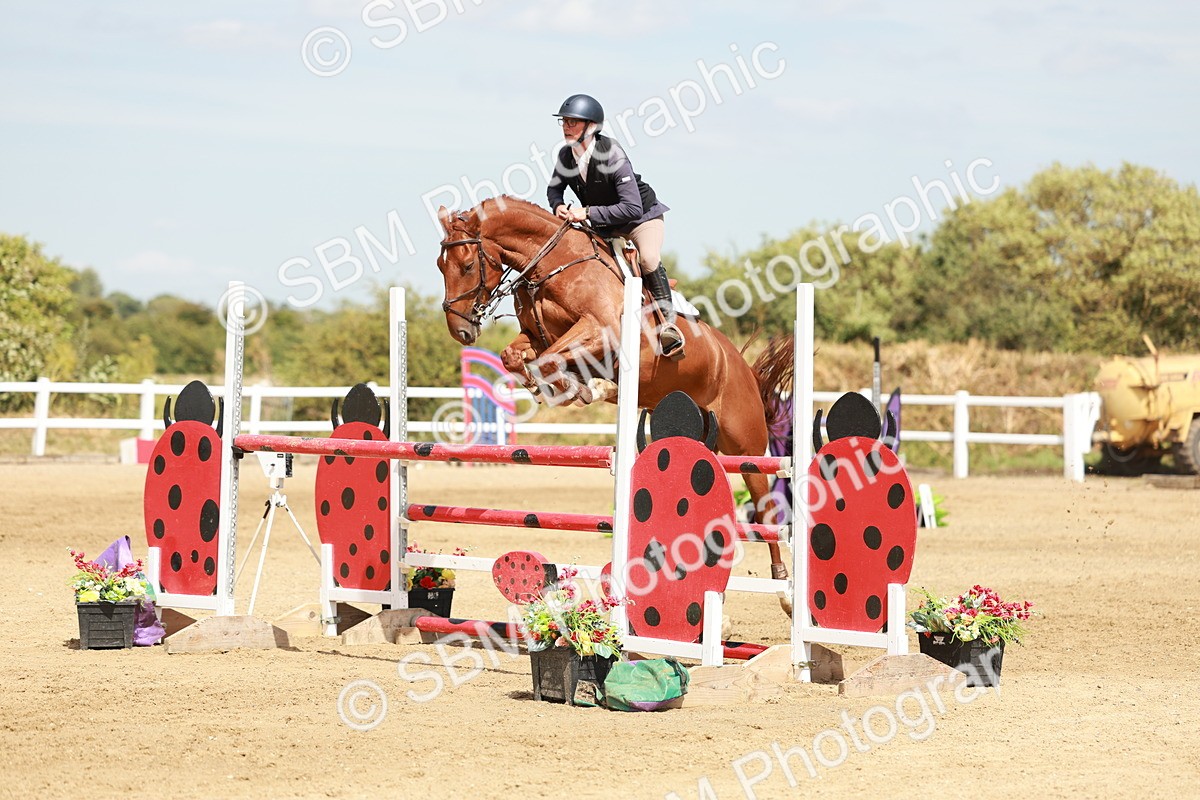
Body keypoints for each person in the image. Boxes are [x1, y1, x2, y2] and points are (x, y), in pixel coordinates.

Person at [546, 93, 684, 358]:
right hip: (604, 224)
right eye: (564, 121)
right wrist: (558, 206)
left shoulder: (612, 154)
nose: (566, 126)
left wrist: (585, 212)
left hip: (640, 219)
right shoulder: (566, 156)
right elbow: (554, 190)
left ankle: (668, 324)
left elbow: (631, 207)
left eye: (573, 122)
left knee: (648, 258)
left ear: (591, 127)